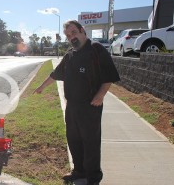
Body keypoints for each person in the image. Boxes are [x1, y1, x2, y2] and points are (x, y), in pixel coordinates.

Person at [34, 20, 120, 185]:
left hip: (90, 106)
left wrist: (100, 95)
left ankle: (93, 177)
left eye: (73, 32)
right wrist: (41, 87)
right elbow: (55, 73)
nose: (71, 37)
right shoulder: (70, 55)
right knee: (74, 139)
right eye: (68, 35)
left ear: (82, 30)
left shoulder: (96, 50)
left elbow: (109, 75)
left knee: (91, 142)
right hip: (72, 106)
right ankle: (78, 171)